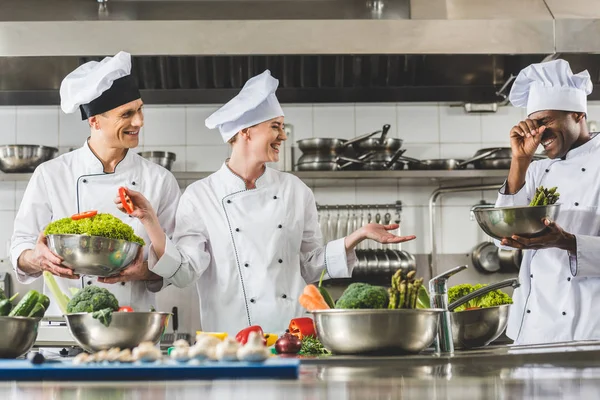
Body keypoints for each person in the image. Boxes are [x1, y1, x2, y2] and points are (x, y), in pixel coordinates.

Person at [118, 70, 417, 334]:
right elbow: (184, 273)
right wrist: (150, 222)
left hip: (294, 336)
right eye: (275, 126)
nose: (283, 136)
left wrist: (357, 236)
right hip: (233, 344)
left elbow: (311, 267)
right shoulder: (201, 196)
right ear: (246, 131)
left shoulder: (295, 190)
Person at [10, 51, 181, 315]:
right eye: (127, 114)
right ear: (94, 121)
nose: (139, 121)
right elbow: (21, 246)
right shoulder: (51, 174)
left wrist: (144, 271)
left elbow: (176, 263)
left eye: (140, 109)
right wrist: (38, 258)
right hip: (66, 327)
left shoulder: (159, 181)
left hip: (132, 326)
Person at [495, 59, 600, 345]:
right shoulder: (537, 170)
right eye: (533, 125)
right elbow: (501, 233)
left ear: (578, 114)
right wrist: (520, 160)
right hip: (533, 331)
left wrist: (567, 241)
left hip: (590, 333)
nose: (539, 134)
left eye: (545, 122)